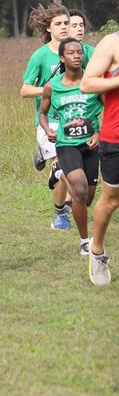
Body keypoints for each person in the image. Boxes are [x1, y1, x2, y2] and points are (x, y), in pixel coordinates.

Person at [20, 0, 87, 229]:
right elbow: (24, 89)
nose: (65, 27)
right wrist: (49, 90)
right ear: (49, 28)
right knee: (67, 170)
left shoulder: (80, 52)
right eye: (58, 24)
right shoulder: (40, 55)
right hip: (50, 123)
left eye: (67, 23)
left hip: (76, 121)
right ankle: (61, 211)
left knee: (78, 178)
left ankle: (61, 209)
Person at [39, 38, 102, 257]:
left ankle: (59, 172)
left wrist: (99, 133)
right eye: (71, 53)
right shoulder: (52, 85)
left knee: (88, 198)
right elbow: (42, 113)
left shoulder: (93, 82)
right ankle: (85, 242)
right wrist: (47, 129)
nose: (77, 56)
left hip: (90, 145)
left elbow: (112, 109)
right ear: (62, 58)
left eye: (79, 52)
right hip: (66, 145)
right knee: (80, 190)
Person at [81, 30, 119, 286]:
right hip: (115, 136)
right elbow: (87, 84)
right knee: (112, 199)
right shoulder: (112, 42)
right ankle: (96, 250)